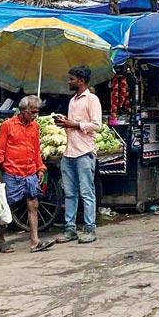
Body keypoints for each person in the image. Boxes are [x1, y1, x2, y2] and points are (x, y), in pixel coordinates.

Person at [0, 96, 52, 253]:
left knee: (33, 205)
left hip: (30, 171)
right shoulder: (7, 125)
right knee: (4, 208)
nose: (35, 116)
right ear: (23, 110)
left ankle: (35, 241)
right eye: (32, 112)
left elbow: (36, 149)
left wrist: (40, 168)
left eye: (37, 112)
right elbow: (0, 150)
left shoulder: (35, 126)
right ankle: (1, 240)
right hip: (12, 171)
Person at [54, 66, 103, 245]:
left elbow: (97, 125)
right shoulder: (72, 100)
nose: (69, 82)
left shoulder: (92, 99)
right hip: (69, 152)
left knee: (86, 192)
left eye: (71, 79)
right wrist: (65, 122)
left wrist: (74, 124)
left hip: (84, 152)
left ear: (81, 81)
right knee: (70, 193)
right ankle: (70, 229)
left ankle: (90, 228)